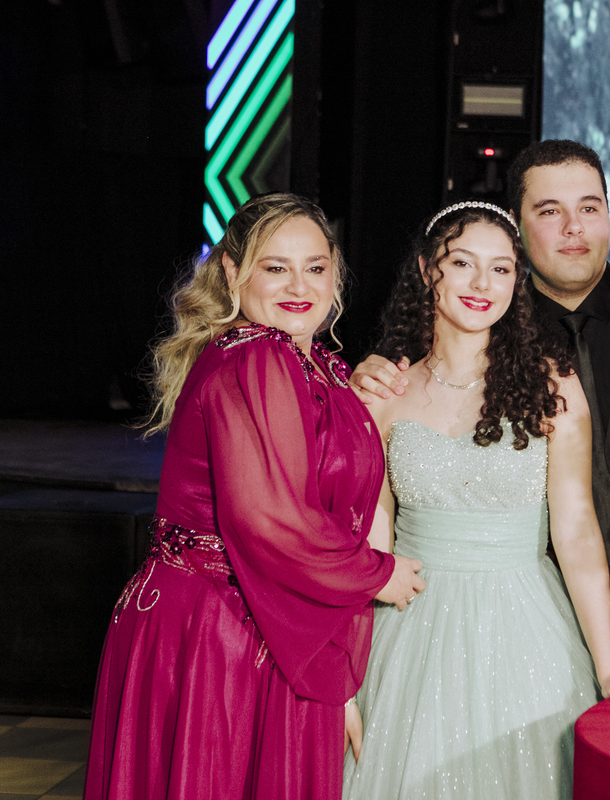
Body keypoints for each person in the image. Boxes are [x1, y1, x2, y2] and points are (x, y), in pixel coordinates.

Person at [353, 142, 610, 684]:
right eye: (549, 211)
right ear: (516, 228)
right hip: (547, 632)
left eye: (589, 207)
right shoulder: (479, 324)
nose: (574, 228)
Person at [84, 194, 425, 800]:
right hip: (221, 631)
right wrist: (376, 574)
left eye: (315, 267)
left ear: (336, 271)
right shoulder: (258, 356)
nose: (299, 285)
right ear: (232, 271)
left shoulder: (313, 363)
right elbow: (270, 520)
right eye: (275, 267)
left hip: (245, 621)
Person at [342, 201, 610, 799]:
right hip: (408, 629)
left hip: (526, 627)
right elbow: (370, 537)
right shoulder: (382, 392)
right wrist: (346, 675)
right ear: (426, 270)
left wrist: (608, 667)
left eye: (501, 269)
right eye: (462, 263)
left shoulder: (553, 387)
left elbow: (576, 531)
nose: (482, 284)